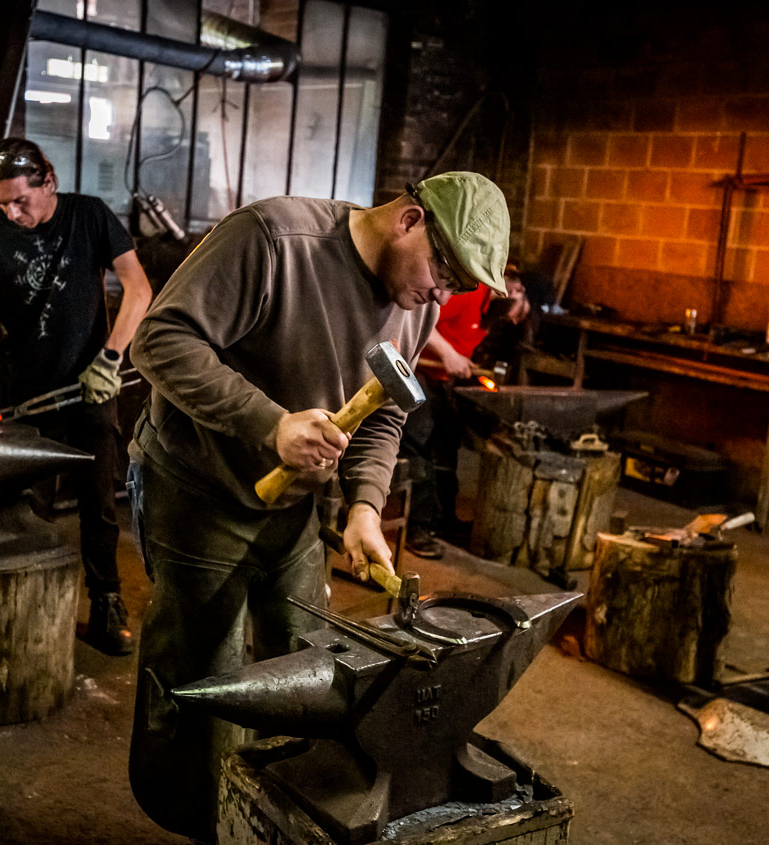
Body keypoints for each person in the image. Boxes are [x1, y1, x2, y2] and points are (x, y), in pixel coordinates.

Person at [125, 171, 510, 840]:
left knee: (311, 664)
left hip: (295, 508)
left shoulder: (412, 299)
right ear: (408, 219)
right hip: (197, 486)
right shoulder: (274, 239)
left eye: (459, 285)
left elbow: (385, 414)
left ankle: (267, 818)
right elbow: (158, 341)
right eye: (443, 270)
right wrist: (269, 423)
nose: (441, 294)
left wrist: (364, 505)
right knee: (201, 678)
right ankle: (187, 818)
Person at [0, 138, 153, 656]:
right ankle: (18, 604)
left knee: (97, 505)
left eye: (21, 201)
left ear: (48, 183)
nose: (12, 213)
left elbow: (138, 288)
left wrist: (109, 359)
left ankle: (106, 605)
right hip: (28, 390)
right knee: (20, 499)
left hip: (91, 387)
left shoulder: (90, 217)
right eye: (1, 203)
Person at [401, 263, 530, 559]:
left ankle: (443, 519)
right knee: (420, 441)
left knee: (448, 444)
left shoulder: (491, 316)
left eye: (523, 293)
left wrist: (461, 364)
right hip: (414, 372)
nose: (517, 296)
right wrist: (448, 354)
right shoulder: (471, 295)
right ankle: (418, 527)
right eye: (516, 289)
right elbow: (418, 319)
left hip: (441, 381)